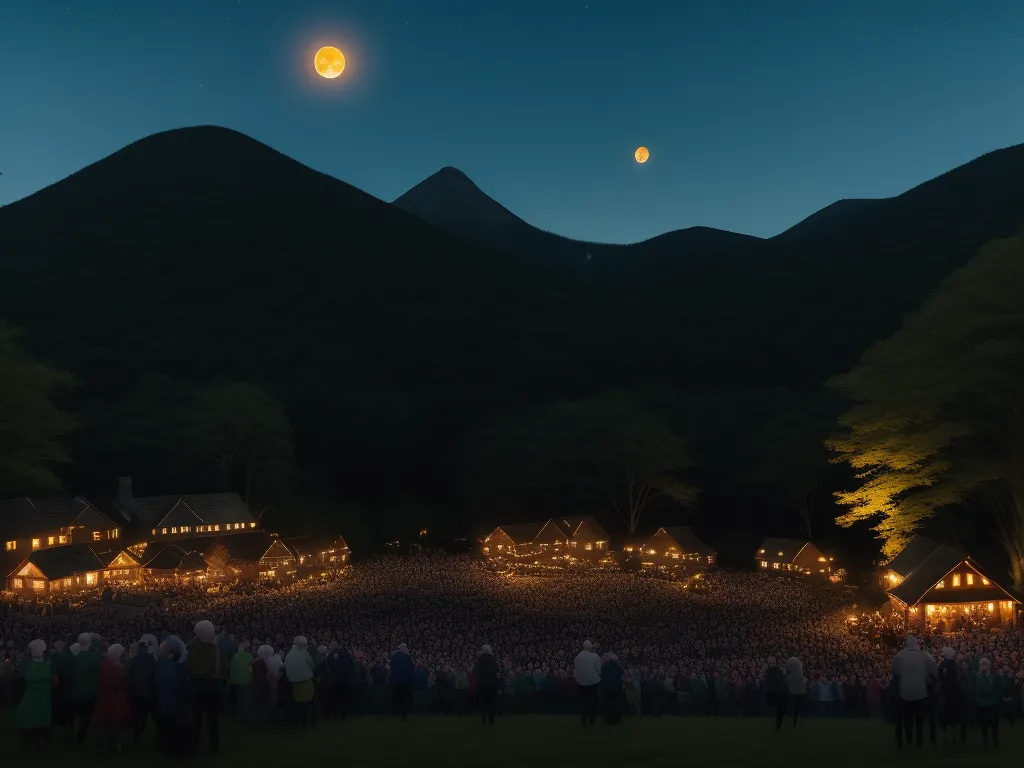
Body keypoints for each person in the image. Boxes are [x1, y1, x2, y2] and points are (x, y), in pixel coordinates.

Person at [892, 634, 937, 748]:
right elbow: (934, 671)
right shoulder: (925, 655)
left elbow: (896, 673)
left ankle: (909, 739)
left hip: (905, 692)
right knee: (919, 719)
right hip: (921, 692)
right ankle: (919, 741)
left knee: (907, 718)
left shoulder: (899, 656)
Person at [187, 619, 222, 755]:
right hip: (210, 687)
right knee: (212, 718)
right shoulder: (214, 649)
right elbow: (217, 673)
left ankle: (194, 746)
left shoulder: (190, 648)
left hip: (195, 686)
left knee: (196, 718)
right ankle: (214, 745)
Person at [154, 636, 192, 758]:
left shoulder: (167, 665)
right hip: (171, 701)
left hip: (170, 702)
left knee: (170, 728)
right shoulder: (176, 664)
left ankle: (172, 749)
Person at [14, 639, 53, 751]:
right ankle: (38, 743)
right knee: (41, 721)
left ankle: (29, 743)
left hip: (30, 698)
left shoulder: (25, 666)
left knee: (29, 721)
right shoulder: (48, 665)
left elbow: (18, 681)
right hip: (43, 698)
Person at [94, 644, 131, 752]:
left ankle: (105, 744)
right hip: (114, 698)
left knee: (107, 723)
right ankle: (114, 744)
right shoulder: (114, 666)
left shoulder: (104, 664)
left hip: (107, 697)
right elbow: (118, 683)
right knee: (115, 723)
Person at [71, 631, 101, 744]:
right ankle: (81, 733)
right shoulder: (95, 658)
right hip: (91, 692)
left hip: (77, 692)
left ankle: (76, 732)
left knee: (78, 714)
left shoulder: (73, 658)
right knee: (86, 715)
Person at [126, 634, 157, 742]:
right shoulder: (150, 658)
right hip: (146, 690)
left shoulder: (134, 659)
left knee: (136, 713)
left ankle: (137, 732)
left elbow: (129, 673)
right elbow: (154, 673)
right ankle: (141, 728)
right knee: (143, 712)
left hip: (135, 690)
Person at [285, 636, 316, 726]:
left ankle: (298, 721)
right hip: (304, 682)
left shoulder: (290, 654)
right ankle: (305, 722)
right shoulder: (304, 655)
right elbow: (312, 666)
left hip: (295, 683)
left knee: (298, 704)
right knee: (306, 704)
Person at [937, 646, 965, 745]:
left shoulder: (942, 664)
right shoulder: (956, 664)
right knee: (954, 716)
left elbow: (939, 677)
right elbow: (960, 676)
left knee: (945, 716)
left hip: (946, 693)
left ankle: (946, 737)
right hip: (955, 693)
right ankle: (954, 737)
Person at [573, 640, 601, 727]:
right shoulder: (594, 656)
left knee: (583, 702)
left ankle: (583, 719)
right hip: (593, 683)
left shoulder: (578, 656)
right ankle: (592, 718)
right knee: (592, 701)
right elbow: (599, 670)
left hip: (581, 683)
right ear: (590, 647)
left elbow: (576, 669)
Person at [975, 657, 999, 749]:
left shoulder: (993, 676)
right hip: (983, 705)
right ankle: (987, 742)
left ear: (989, 666)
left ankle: (994, 743)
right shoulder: (978, 677)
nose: (984, 667)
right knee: (984, 726)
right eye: (982, 665)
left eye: (986, 665)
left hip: (991, 705)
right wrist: (988, 677)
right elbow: (989, 689)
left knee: (993, 727)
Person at [325, 644, 354, 720]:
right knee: (343, 699)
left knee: (335, 699)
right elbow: (352, 668)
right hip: (344, 682)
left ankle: (335, 713)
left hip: (336, 681)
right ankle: (342, 714)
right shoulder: (347, 658)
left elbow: (328, 665)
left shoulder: (332, 657)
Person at [228, 639, 254, 723]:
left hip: (235, 682)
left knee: (238, 699)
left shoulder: (235, 655)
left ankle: (236, 714)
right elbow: (251, 670)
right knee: (245, 699)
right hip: (246, 682)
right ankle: (245, 716)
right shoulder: (250, 657)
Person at [776, 656, 805, 730]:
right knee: (792, 708)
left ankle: (794, 722)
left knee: (795, 707)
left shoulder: (793, 673)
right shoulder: (788, 674)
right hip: (789, 693)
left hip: (793, 693)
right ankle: (791, 722)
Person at [474, 644, 500, 726]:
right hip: (491, 685)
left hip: (482, 685)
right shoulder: (492, 659)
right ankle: (491, 720)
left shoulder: (480, 660)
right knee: (491, 703)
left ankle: (483, 720)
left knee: (483, 703)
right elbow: (496, 671)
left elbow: (476, 671)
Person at [390, 643, 414, 721]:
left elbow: (392, 668)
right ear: (403, 648)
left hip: (396, 681)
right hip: (405, 682)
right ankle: (404, 714)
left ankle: (396, 713)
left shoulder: (394, 657)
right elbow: (410, 667)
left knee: (397, 698)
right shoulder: (406, 657)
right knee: (404, 699)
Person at [601, 652, 624, 725]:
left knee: (608, 705)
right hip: (616, 689)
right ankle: (617, 720)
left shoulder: (605, 666)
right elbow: (621, 674)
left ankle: (609, 720)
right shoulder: (618, 667)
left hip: (607, 689)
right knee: (616, 705)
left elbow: (602, 677)